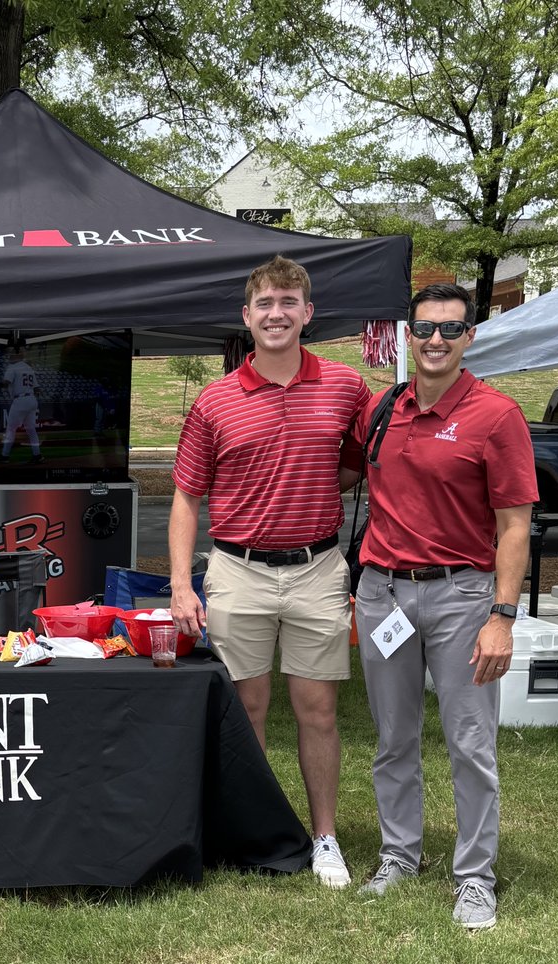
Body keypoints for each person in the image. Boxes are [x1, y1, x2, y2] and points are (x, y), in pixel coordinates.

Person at [168, 256, 371, 888]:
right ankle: (258, 833)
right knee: (245, 707)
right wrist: (180, 583)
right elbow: (185, 497)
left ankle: (326, 837)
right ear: (247, 317)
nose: (277, 313)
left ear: (307, 313)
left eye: (289, 301)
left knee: (318, 710)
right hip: (237, 569)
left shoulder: (346, 387)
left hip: (317, 568)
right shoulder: (215, 399)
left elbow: (364, 461)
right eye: (265, 304)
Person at [345, 283, 536, 929]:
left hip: (461, 596)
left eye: (450, 330)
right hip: (383, 593)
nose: (435, 341)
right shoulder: (379, 409)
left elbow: (514, 526)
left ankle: (475, 876)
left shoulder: (495, 415)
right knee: (393, 738)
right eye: (424, 329)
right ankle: (400, 855)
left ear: (470, 338)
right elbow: (337, 470)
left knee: (470, 743)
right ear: (406, 334)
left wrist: (502, 617)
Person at [0, 342, 42, 463]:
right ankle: (37, 455)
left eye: (11, 354)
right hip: (32, 399)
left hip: (20, 400)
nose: (9, 356)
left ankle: (4, 456)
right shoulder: (28, 367)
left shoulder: (12, 367)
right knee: (31, 429)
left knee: (11, 429)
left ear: (16, 355)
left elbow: (5, 384)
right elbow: (37, 389)